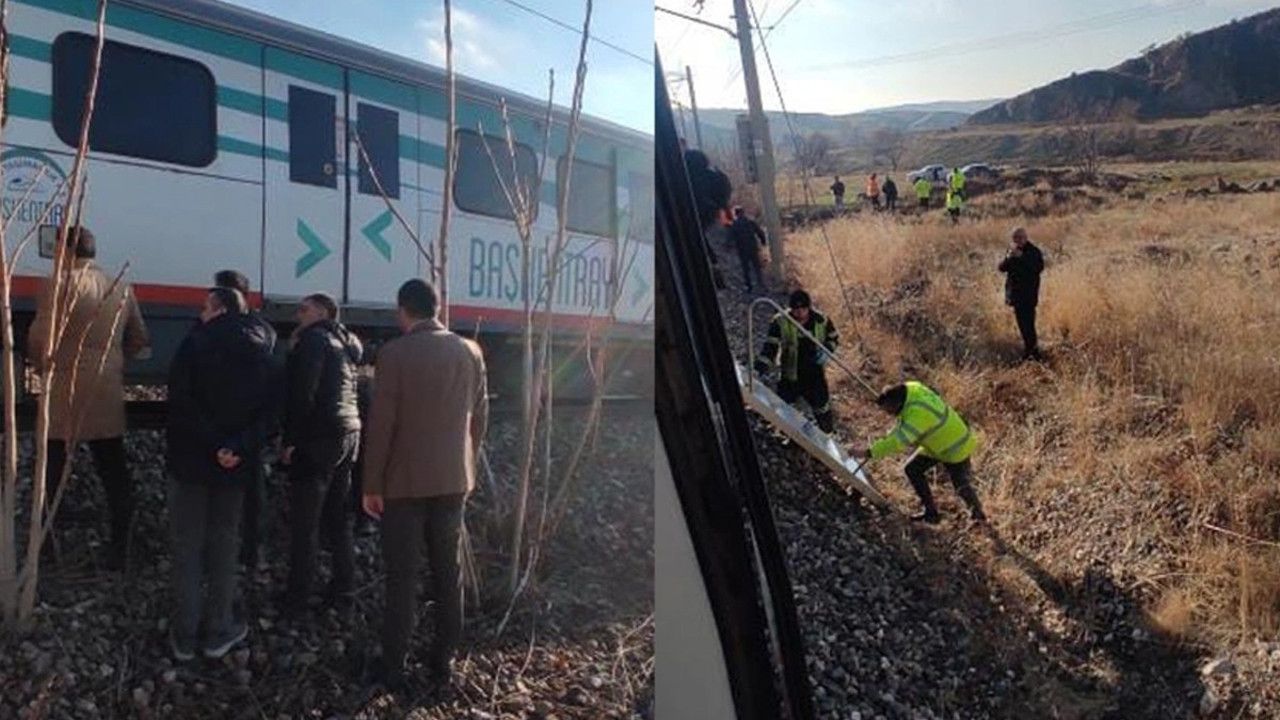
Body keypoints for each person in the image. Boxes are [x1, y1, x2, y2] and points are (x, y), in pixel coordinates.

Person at [362, 279, 488, 690]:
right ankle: (443, 660)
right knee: (446, 573)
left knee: (402, 576)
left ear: (404, 311)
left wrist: (371, 483)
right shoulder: (470, 351)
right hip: (454, 480)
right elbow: (479, 417)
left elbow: (382, 426)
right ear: (436, 308)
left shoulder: (395, 354)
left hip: (404, 483)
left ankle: (393, 666)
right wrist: (465, 463)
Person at [27, 226, 149, 570]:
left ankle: (46, 549)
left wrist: (41, 367)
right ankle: (120, 548)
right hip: (105, 387)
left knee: (49, 471)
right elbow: (139, 337)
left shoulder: (56, 284)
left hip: (64, 389)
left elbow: (39, 338)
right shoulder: (121, 287)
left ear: (66, 250)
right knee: (113, 470)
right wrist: (113, 361)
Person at [166, 287, 276, 660]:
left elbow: (180, 404)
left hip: (191, 464)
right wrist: (237, 446)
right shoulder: (265, 349)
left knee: (188, 545)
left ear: (220, 309)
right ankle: (218, 630)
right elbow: (272, 413)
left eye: (204, 308)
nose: (200, 314)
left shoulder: (194, 344)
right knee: (225, 545)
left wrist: (214, 444)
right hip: (235, 467)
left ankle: (185, 634)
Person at [278, 292, 363, 617]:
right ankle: (345, 587)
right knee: (338, 517)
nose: (298, 316)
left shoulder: (313, 340)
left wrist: (291, 440)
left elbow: (303, 393)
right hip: (348, 434)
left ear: (323, 312)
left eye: (304, 309)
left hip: (318, 437)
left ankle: (298, 597)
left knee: (305, 523)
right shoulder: (346, 342)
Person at [213, 270, 279, 571]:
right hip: (253, 424)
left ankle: (219, 553)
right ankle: (254, 552)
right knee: (254, 492)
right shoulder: (266, 330)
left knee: (218, 493)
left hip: (221, 422)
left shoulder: (213, 330)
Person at [853, 382, 986, 525]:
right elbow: (904, 420)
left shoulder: (918, 414)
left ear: (897, 403)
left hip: (955, 447)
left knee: (960, 485)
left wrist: (869, 452)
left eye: (889, 411)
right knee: (912, 469)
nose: (889, 414)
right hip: (939, 442)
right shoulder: (912, 388)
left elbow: (899, 442)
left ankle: (979, 516)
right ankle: (931, 514)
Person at [753, 289, 839, 434]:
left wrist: (827, 350)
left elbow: (833, 337)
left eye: (803, 309)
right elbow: (770, 348)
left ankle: (828, 438)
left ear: (809, 308)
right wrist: (759, 368)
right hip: (790, 372)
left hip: (814, 373)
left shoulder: (821, 320)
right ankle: (790, 436)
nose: (799, 313)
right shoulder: (780, 321)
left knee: (822, 407)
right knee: (785, 407)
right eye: (795, 310)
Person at [997, 227, 1045, 361]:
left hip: (1028, 295)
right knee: (1022, 325)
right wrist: (1007, 258)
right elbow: (1001, 268)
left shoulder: (1033, 251)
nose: (1017, 241)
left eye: (1019, 238)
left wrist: (1022, 257)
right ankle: (1029, 352)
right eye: (1014, 238)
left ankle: (1034, 354)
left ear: (1025, 237)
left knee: (1029, 325)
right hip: (1016, 295)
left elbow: (1038, 268)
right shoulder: (1011, 250)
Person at [729, 206, 768, 295]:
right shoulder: (750, 222)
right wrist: (763, 242)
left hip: (742, 249)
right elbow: (760, 232)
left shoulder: (735, 224)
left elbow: (730, 237)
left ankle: (748, 286)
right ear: (743, 212)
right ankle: (761, 284)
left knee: (745, 268)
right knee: (757, 266)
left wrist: (728, 246)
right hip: (752, 247)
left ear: (736, 214)